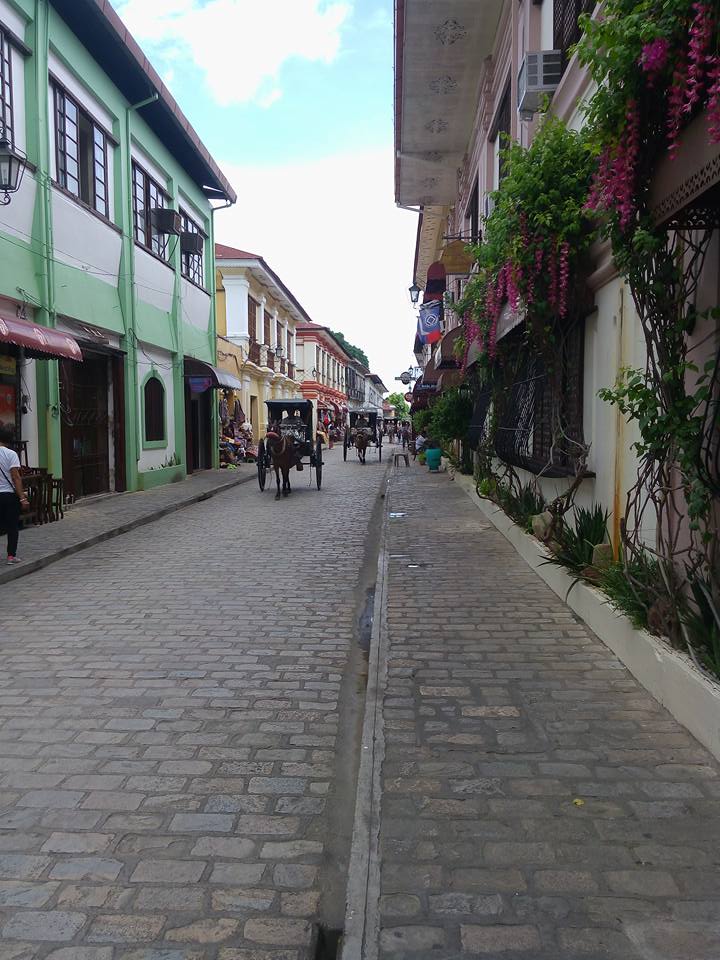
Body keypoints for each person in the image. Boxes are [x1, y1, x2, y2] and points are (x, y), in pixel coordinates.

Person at [0, 425, 29, 564]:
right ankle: (11, 556)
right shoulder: (11, 454)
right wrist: (22, 497)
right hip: (9, 495)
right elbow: (15, 477)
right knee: (12, 526)